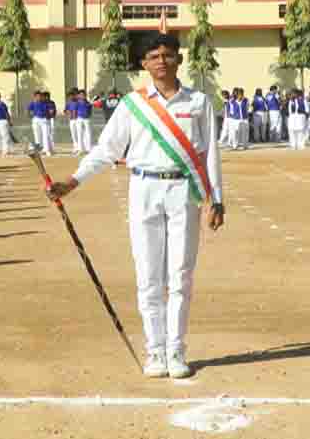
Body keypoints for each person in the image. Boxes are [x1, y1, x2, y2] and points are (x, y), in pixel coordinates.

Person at [46, 33, 224, 380]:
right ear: (143, 64)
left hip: (183, 191)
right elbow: (106, 150)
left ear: (179, 60)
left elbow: (210, 154)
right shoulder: (132, 105)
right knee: (148, 276)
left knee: (181, 274)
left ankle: (176, 348)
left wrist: (215, 199)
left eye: (168, 55)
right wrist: (73, 180)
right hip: (143, 187)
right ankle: (155, 350)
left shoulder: (199, 102)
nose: (161, 61)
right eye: (153, 56)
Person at [70, 89, 94, 155]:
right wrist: (75, 118)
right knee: (79, 134)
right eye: (81, 95)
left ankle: (88, 149)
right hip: (79, 119)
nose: (82, 96)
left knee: (88, 133)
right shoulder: (77, 103)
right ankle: (81, 149)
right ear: (79, 96)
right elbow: (75, 111)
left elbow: (90, 111)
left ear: (85, 95)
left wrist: (88, 116)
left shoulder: (88, 103)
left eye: (83, 95)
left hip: (87, 119)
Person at [30, 91, 55, 155]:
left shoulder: (45, 103)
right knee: (37, 135)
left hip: (44, 120)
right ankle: (39, 150)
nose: (39, 97)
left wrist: (49, 114)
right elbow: (30, 111)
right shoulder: (32, 103)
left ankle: (46, 150)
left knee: (45, 135)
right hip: (36, 120)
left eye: (40, 96)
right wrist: (31, 114)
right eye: (37, 96)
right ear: (35, 97)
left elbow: (51, 111)